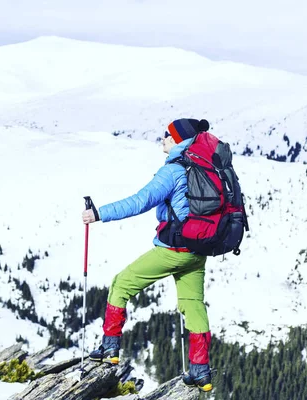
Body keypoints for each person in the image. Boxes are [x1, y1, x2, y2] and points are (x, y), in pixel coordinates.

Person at [81, 118, 213, 392]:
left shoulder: (173, 171)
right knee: (193, 304)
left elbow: (140, 201)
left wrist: (99, 214)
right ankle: (200, 371)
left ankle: (110, 348)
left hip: (172, 250)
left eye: (167, 134)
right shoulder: (204, 166)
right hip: (198, 249)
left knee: (121, 283)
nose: (163, 138)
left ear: (178, 140)